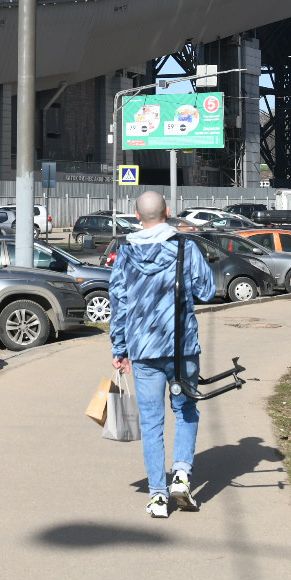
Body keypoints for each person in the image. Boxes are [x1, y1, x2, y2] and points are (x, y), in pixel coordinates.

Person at [108, 190, 216, 518]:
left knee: (152, 422)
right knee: (186, 411)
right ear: (167, 212)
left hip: (143, 349)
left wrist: (120, 348)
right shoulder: (185, 246)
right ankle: (181, 475)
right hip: (182, 347)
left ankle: (157, 496)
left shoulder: (125, 252)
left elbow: (119, 301)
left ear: (137, 216)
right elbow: (207, 290)